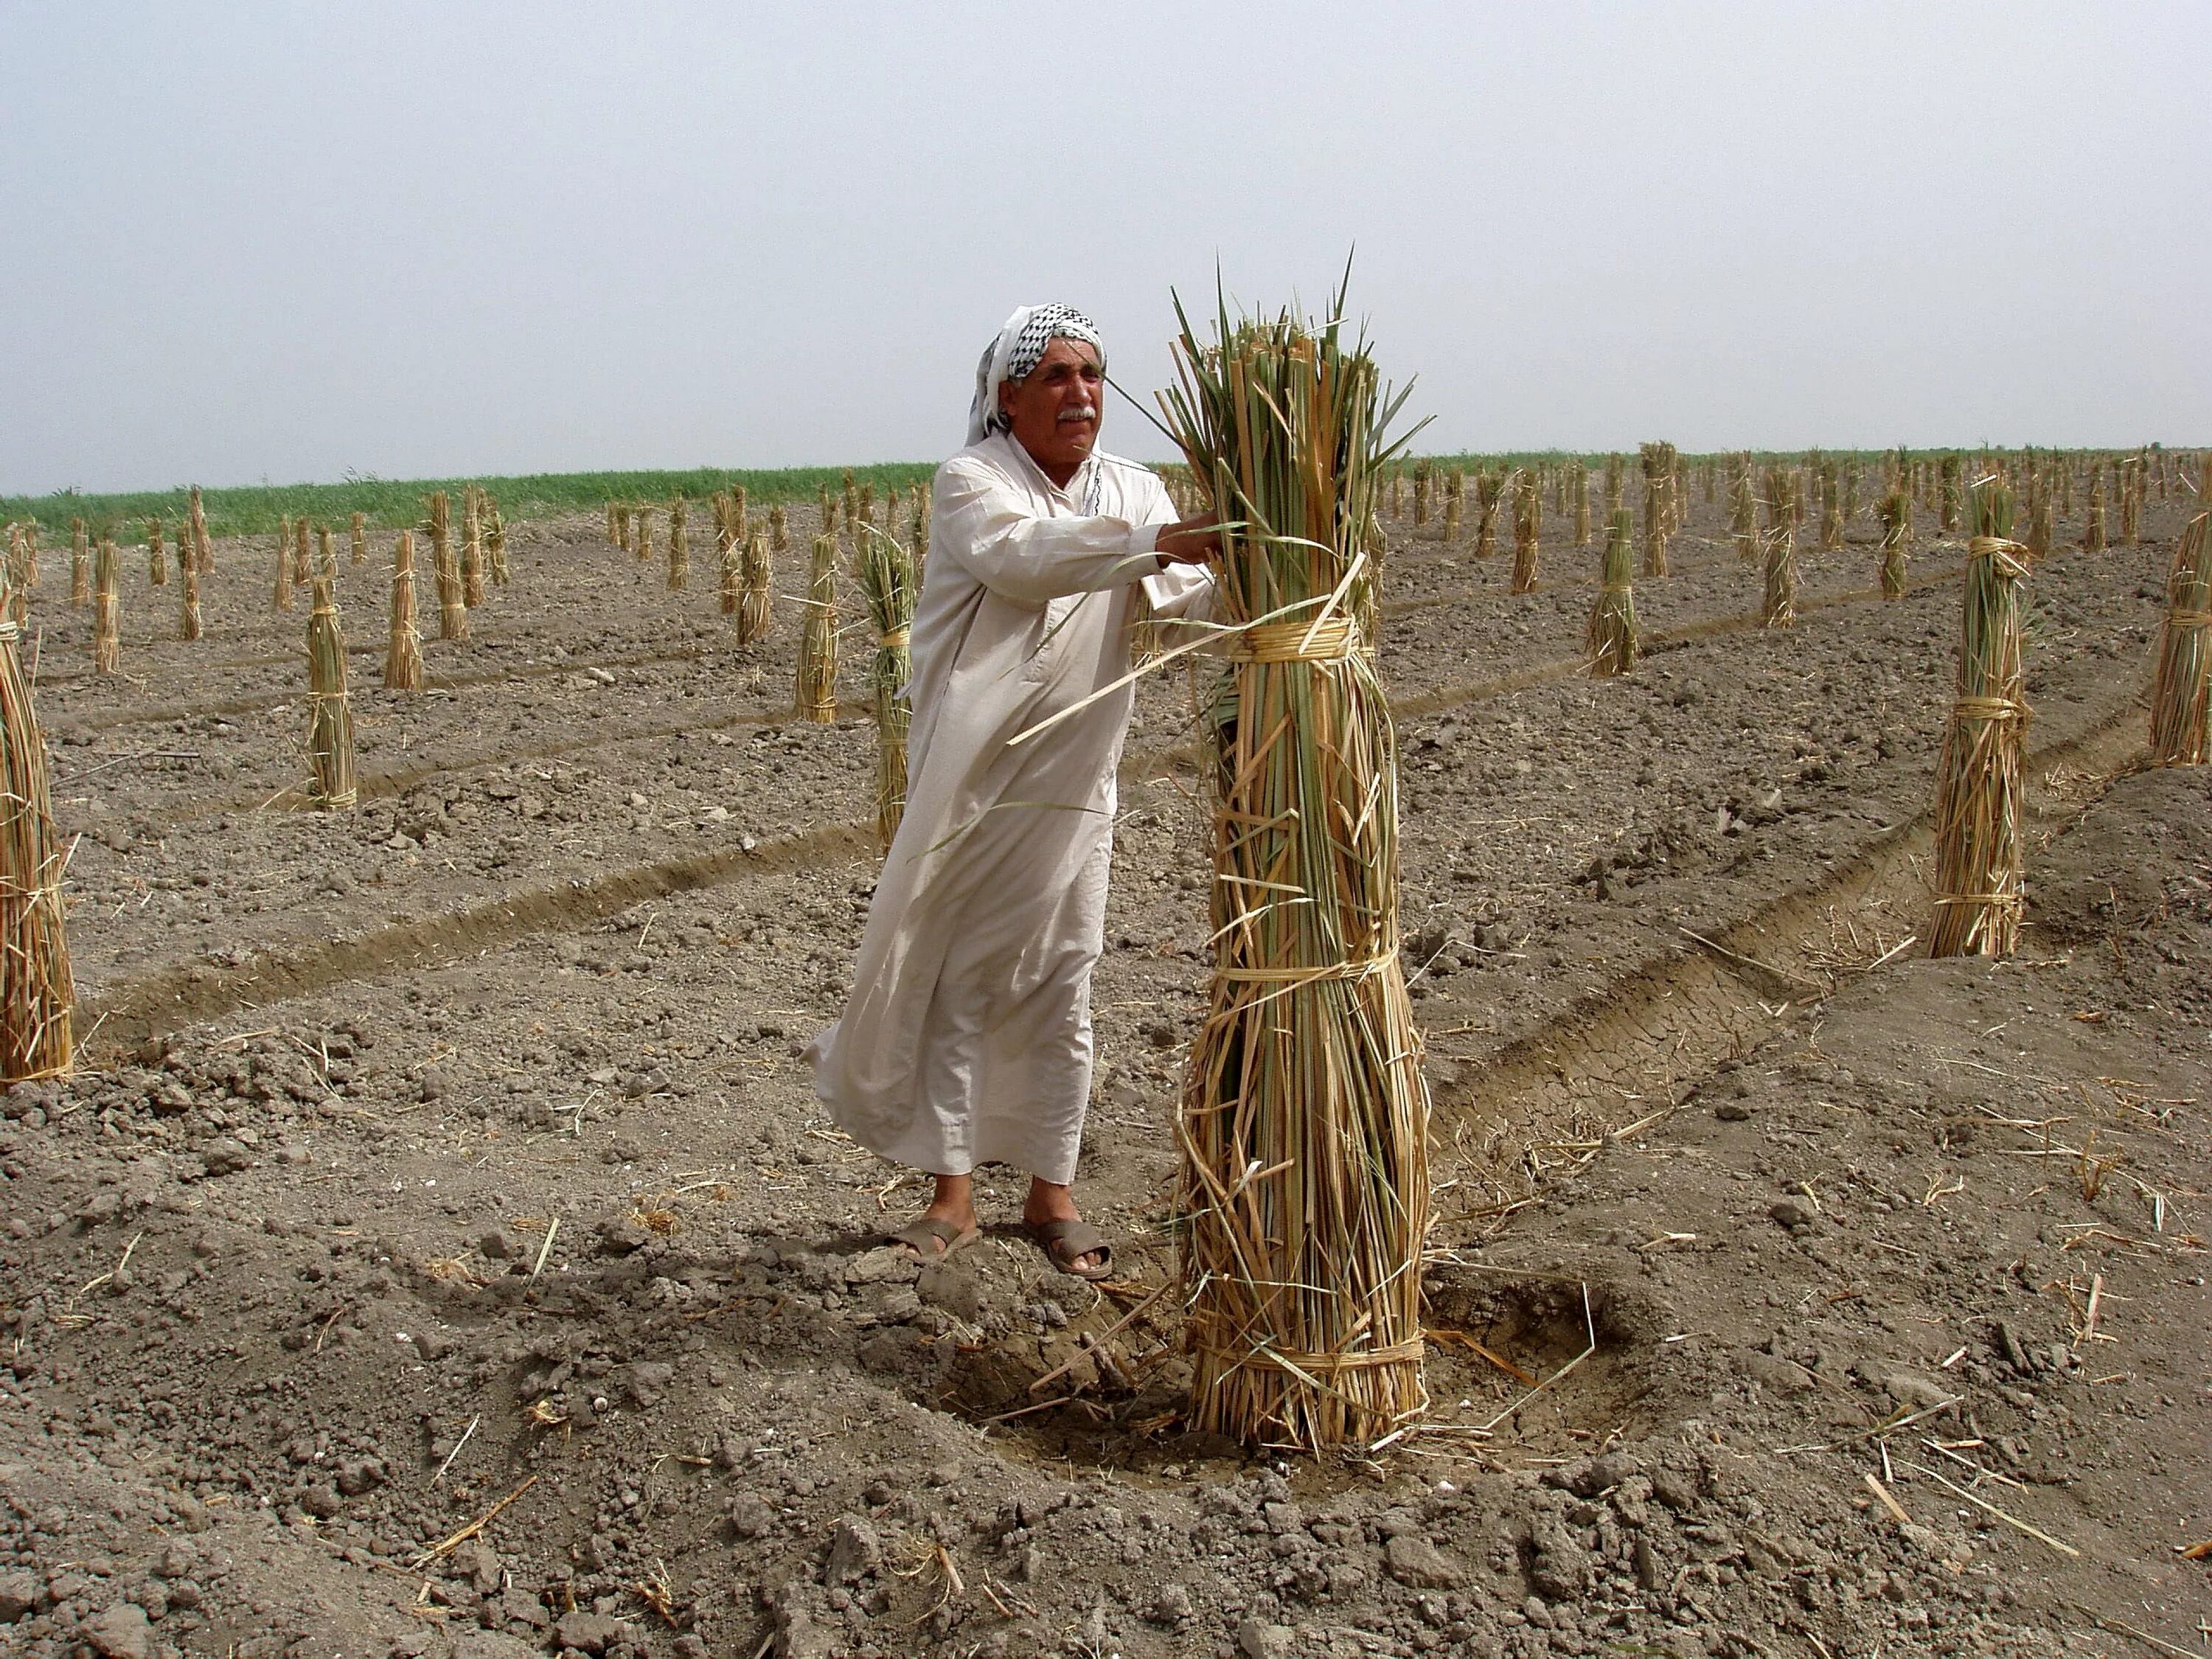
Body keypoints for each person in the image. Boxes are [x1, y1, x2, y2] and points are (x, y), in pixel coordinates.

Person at [807, 304, 1218, 1279]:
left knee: (1063, 972)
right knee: (958, 972)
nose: (1082, 392)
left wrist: (1220, 549)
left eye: (1093, 375)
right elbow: (1026, 560)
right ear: (1009, 397)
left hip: (1078, 779)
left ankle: (1051, 1192)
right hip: (978, 777)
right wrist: (1163, 541)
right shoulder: (973, 484)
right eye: (1059, 375)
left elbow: (1180, 589)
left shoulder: (1131, 487)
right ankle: (950, 1196)